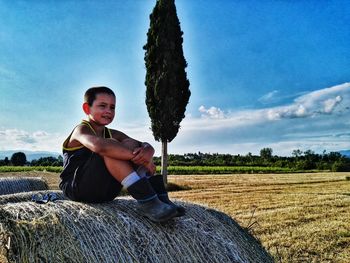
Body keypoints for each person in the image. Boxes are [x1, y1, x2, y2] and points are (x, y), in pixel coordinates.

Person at [59, 86, 185, 222]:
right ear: (87, 108)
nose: (108, 111)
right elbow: (99, 146)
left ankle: (159, 198)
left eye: (112, 107)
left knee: (129, 143)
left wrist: (148, 150)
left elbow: (140, 144)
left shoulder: (112, 132)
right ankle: (147, 201)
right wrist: (142, 159)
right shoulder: (81, 130)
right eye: (102, 106)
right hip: (77, 188)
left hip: (106, 192)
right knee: (111, 146)